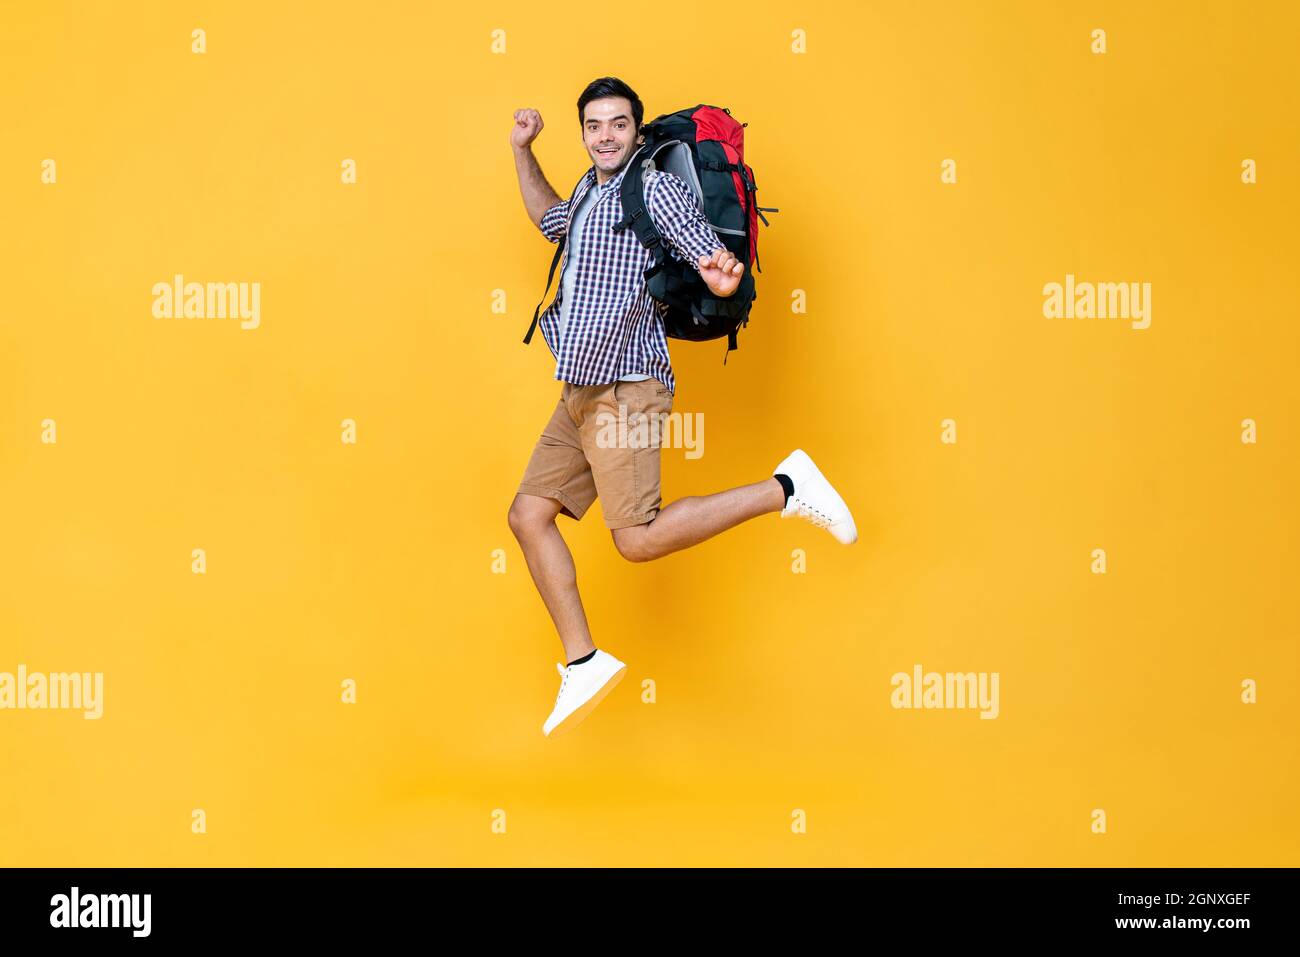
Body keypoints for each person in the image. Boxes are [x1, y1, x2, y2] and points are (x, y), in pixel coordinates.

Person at [509, 77, 857, 737]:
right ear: (583, 132)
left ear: (636, 131)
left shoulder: (655, 188)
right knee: (528, 515)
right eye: (593, 125)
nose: (605, 136)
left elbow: (704, 249)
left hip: (626, 385)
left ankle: (786, 488)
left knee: (636, 539)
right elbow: (545, 215)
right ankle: (582, 661)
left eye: (617, 124)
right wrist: (522, 148)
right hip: (581, 387)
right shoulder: (590, 188)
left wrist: (718, 269)